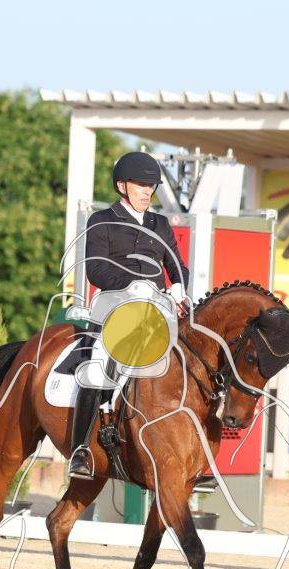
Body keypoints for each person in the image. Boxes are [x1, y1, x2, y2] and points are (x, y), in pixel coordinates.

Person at [66, 151, 190, 480]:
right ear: (122, 186)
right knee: (97, 366)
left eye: (151, 187)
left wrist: (179, 286)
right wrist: (133, 285)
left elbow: (177, 265)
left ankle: (192, 455)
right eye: (140, 185)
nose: (147, 192)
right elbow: (96, 270)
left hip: (157, 311)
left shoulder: (159, 224)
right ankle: (80, 450)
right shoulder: (102, 221)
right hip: (117, 307)